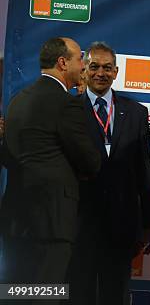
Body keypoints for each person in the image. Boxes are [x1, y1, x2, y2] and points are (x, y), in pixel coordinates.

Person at [0, 37, 100, 288]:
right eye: (80, 59)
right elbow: (90, 162)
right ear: (63, 63)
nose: (84, 66)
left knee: (17, 293)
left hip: (16, 217)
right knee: (45, 293)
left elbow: (9, 157)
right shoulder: (66, 103)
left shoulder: (17, 101)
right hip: (53, 221)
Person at [67, 41, 150, 305]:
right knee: (77, 295)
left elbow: (144, 170)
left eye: (107, 67)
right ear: (83, 70)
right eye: (94, 66)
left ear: (116, 72)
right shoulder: (68, 110)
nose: (101, 73)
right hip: (79, 223)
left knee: (115, 295)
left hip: (122, 226)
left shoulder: (137, 113)